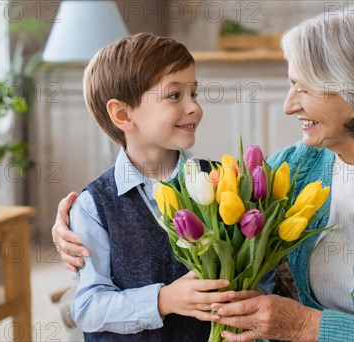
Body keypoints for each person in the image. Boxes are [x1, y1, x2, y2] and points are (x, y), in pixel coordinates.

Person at [52, 6, 354, 342]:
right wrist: (70, 221)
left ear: (353, 91)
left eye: (301, 87)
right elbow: (222, 207)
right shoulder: (295, 165)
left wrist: (302, 324)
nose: (289, 105)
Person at [64, 33, 246, 341]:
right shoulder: (93, 205)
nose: (194, 108)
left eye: (194, 94)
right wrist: (164, 300)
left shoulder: (220, 180)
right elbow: (87, 307)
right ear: (123, 114)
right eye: (175, 96)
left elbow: (254, 270)